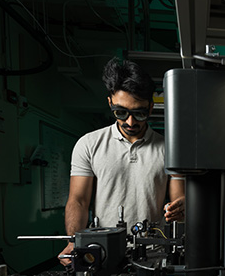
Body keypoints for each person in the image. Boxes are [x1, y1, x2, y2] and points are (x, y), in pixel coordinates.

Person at [58, 58, 185, 265]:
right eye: (121, 112)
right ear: (110, 103)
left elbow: (178, 198)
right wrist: (74, 241)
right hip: (102, 251)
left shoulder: (170, 148)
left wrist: (180, 207)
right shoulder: (88, 144)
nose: (130, 122)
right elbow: (78, 200)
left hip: (154, 253)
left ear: (151, 108)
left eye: (139, 113)